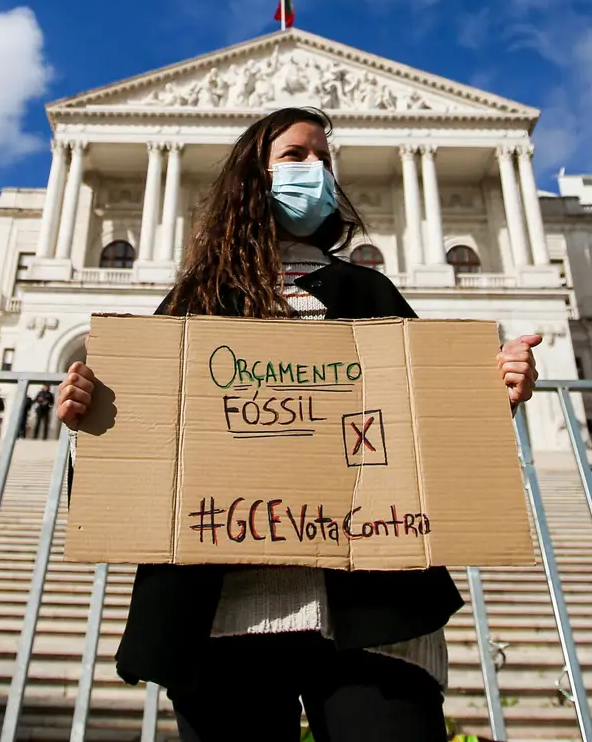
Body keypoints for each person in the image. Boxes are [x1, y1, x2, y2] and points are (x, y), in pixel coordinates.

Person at [56, 106, 540, 742]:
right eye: (296, 156)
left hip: (373, 612)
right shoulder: (191, 307)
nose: (318, 171)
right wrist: (90, 422)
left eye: (325, 160)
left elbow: (432, 435)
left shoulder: (372, 294)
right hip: (223, 615)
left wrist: (485, 398)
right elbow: (125, 471)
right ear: (250, 178)